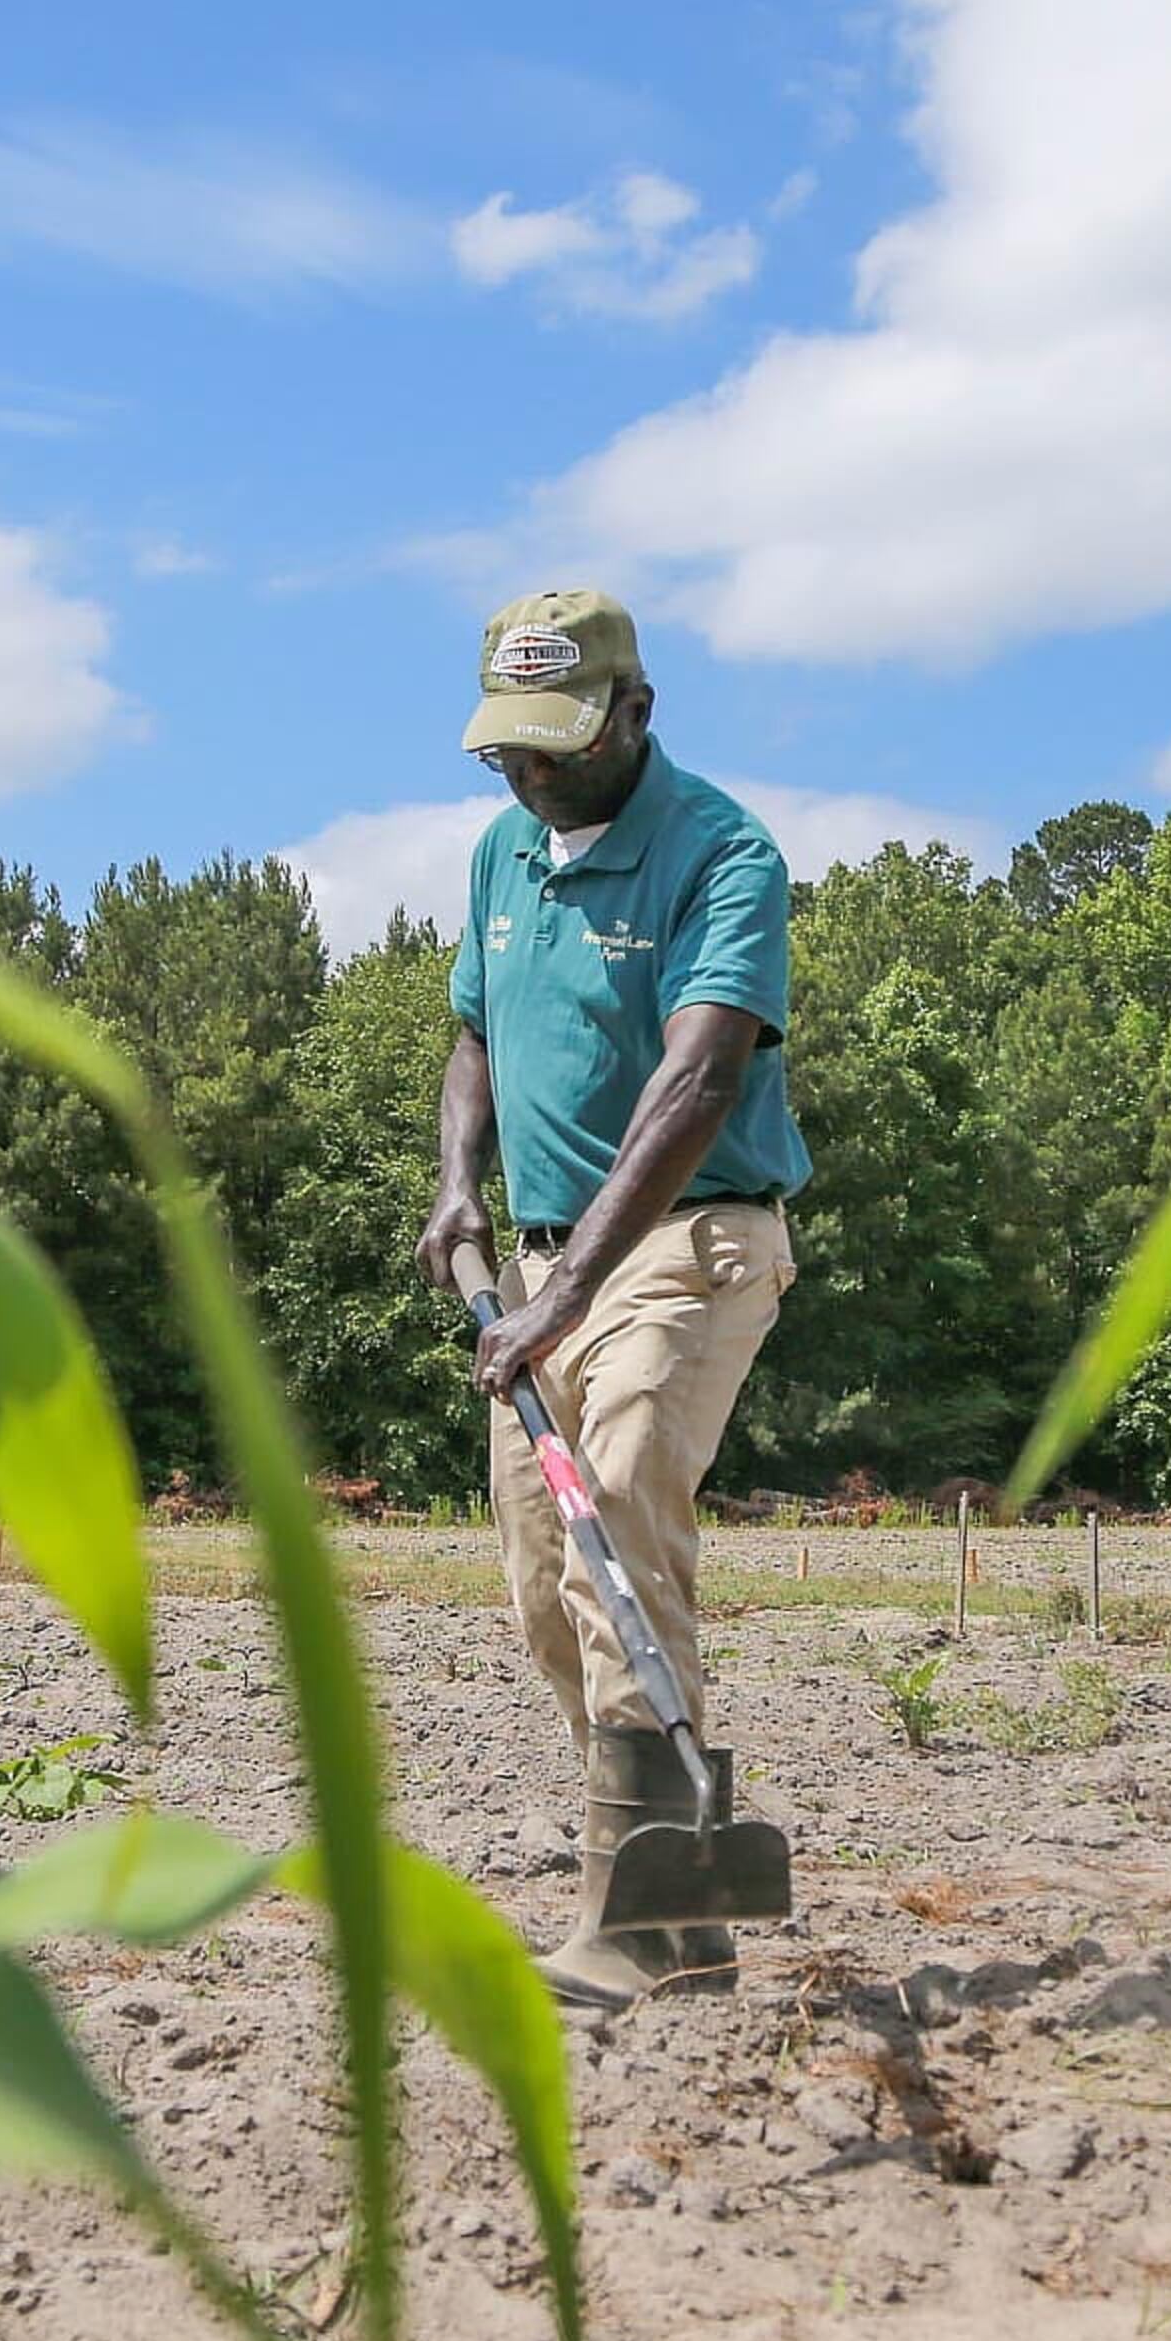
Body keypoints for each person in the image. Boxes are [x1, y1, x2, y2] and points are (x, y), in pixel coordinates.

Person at [419, 586, 810, 2009]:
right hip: (531, 1261)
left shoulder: (723, 855)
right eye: (506, 750)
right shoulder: (502, 856)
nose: (529, 773)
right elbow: (475, 1032)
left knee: (625, 1511)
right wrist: (458, 1186)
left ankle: (632, 1919)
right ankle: (686, 1887)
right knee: (543, 1592)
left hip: (680, 1246)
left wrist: (569, 1288)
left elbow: (698, 1081)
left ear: (636, 713)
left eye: (557, 745)